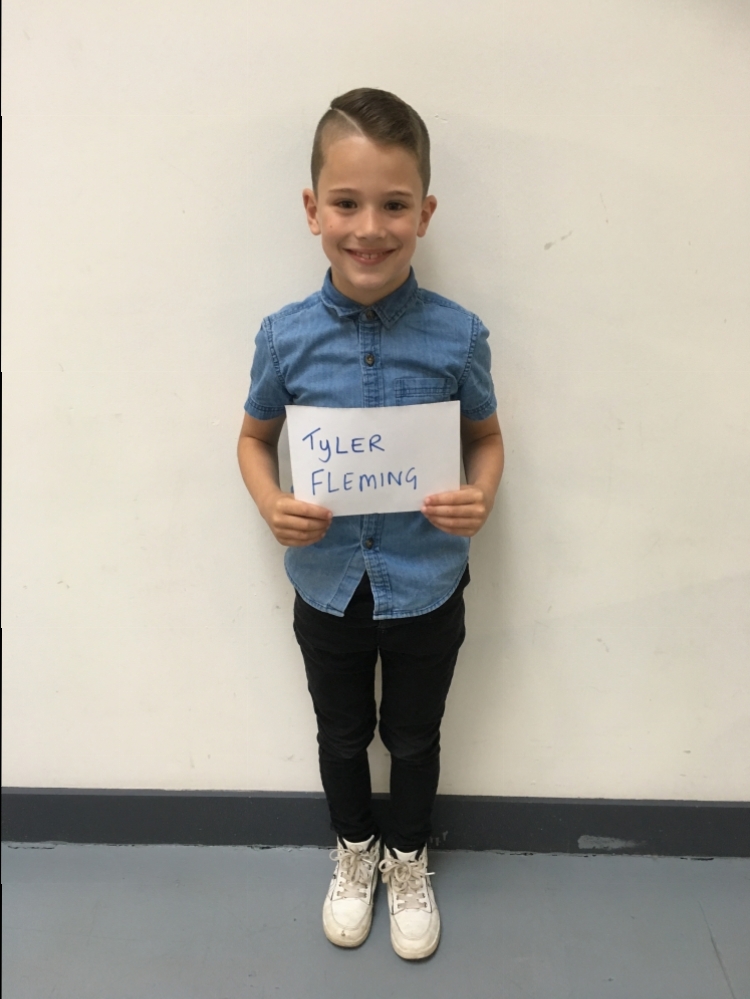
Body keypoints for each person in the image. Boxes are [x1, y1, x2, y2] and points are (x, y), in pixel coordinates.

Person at [237, 88, 504, 960]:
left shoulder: (458, 336)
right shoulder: (284, 338)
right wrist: (271, 502)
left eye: (394, 205)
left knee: (415, 736)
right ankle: (354, 849)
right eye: (346, 203)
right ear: (312, 208)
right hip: (328, 585)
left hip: (427, 582)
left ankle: (407, 855)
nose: (369, 228)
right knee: (342, 732)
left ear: (424, 213)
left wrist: (481, 492)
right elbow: (253, 438)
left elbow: (486, 437)